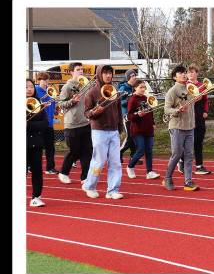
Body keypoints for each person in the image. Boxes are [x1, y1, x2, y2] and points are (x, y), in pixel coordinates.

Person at [80, 65, 125, 200]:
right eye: (105, 73)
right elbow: (86, 113)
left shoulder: (114, 90)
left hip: (113, 131)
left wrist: (119, 126)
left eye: (110, 73)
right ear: (99, 74)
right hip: (99, 131)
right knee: (99, 161)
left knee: (116, 162)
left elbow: (118, 110)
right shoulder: (92, 92)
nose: (108, 75)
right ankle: (90, 186)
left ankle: (113, 189)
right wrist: (94, 112)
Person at [161, 65, 200, 192]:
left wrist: (198, 97)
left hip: (190, 126)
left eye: (185, 73)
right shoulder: (172, 91)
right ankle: (167, 178)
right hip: (177, 126)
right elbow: (166, 109)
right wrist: (177, 110)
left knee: (189, 154)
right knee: (177, 153)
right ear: (174, 77)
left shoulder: (191, 88)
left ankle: (188, 181)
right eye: (181, 73)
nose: (184, 75)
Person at [56, 63, 94, 186]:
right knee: (74, 151)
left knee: (87, 151)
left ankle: (85, 177)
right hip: (72, 124)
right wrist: (73, 101)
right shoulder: (67, 87)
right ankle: (63, 172)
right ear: (71, 72)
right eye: (78, 70)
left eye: (82, 69)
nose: (81, 72)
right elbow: (60, 103)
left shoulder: (86, 84)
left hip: (85, 122)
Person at [125, 78, 160, 180]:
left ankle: (149, 172)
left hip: (148, 128)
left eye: (144, 87)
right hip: (137, 129)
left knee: (149, 150)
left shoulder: (146, 98)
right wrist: (138, 114)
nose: (143, 89)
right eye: (141, 87)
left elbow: (151, 111)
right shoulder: (132, 99)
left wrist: (153, 123)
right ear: (135, 88)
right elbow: (130, 116)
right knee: (140, 150)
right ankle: (130, 166)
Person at [26, 79, 49, 208]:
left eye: (31, 86)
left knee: (37, 170)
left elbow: (44, 123)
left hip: (35, 142)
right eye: (26, 87)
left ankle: (36, 196)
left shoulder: (39, 103)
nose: (29, 89)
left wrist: (28, 125)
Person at [185, 66, 212, 175]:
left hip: (199, 115)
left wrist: (205, 111)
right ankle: (182, 162)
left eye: (193, 72)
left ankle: (199, 165)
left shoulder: (202, 86)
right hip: (187, 116)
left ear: (197, 73)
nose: (190, 74)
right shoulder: (184, 85)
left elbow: (205, 100)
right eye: (188, 73)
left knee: (198, 141)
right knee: (187, 141)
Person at [33, 73, 58, 174]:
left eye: (47, 80)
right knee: (36, 146)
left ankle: (50, 168)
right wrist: (45, 96)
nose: (46, 82)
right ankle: (31, 166)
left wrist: (55, 110)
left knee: (50, 147)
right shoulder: (36, 90)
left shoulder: (50, 90)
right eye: (43, 80)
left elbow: (53, 104)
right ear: (39, 80)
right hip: (39, 122)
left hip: (49, 123)